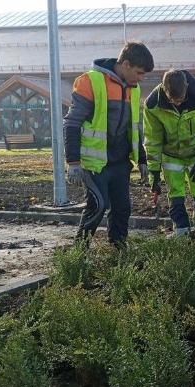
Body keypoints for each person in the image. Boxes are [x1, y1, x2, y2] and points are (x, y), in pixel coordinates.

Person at [64, 42, 154, 248]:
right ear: (126, 64)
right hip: (95, 163)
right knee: (98, 205)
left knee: (123, 208)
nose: (141, 79)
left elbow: (134, 127)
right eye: (139, 73)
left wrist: (141, 159)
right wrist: (73, 162)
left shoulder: (134, 89)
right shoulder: (90, 82)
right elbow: (72, 123)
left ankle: (118, 246)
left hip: (120, 162)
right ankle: (79, 251)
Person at [144, 69, 195, 237]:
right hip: (171, 157)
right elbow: (153, 140)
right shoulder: (152, 105)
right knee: (175, 194)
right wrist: (154, 174)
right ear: (164, 89)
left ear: (187, 86)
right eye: (173, 100)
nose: (177, 104)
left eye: (181, 100)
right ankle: (182, 231)